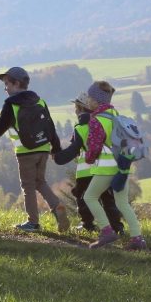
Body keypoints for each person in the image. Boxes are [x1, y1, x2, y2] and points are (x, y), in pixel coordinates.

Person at [0, 66, 70, 232]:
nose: (5, 87)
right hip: (43, 148)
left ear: (16, 83)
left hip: (25, 151)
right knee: (39, 181)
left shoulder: (11, 105)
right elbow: (50, 127)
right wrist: (56, 149)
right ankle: (56, 206)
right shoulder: (39, 101)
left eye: (7, 83)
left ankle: (33, 222)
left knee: (28, 186)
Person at [80, 81, 147, 250]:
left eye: (89, 97)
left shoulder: (97, 121)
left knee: (90, 197)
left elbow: (94, 147)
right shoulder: (116, 115)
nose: (87, 100)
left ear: (96, 100)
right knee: (122, 203)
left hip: (106, 167)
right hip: (121, 167)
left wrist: (88, 158)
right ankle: (137, 238)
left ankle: (106, 231)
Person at [52, 93, 124, 234]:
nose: (75, 110)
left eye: (76, 107)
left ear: (81, 109)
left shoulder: (81, 128)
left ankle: (88, 225)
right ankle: (117, 227)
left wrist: (58, 158)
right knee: (108, 198)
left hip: (86, 171)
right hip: (107, 168)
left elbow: (74, 149)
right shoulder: (105, 123)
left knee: (83, 197)